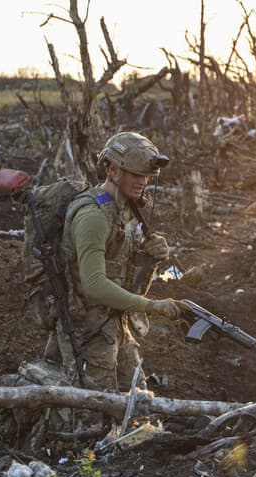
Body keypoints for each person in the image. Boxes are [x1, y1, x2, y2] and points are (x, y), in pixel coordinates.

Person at [44, 131, 186, 393]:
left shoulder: (127, 210)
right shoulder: (93, 217)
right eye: (135, 174)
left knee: (137, 403)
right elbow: (94, 285)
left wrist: (150, 256)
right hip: (87, 332)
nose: (142, 182)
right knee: (91, 412)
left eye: (145, 176)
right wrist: (152, 306)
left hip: (116, 324)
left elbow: (123, 270)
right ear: (112, 169)